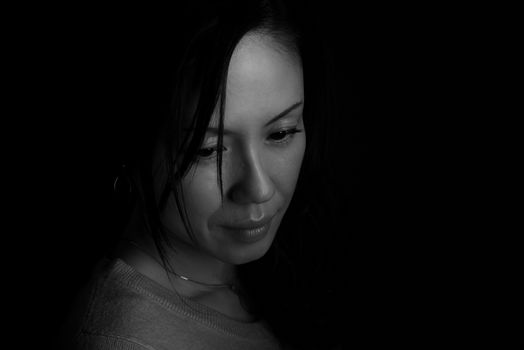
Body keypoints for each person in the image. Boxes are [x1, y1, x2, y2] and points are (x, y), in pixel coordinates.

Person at [59, 0, 342, 348]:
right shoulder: (126, 340)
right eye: (206, 150)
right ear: (133, 149)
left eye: (280, 133)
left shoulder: (286, 262)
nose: (259, 187)